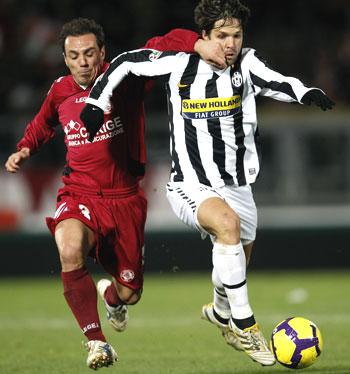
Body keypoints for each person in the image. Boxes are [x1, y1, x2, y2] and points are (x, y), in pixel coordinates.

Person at [81, 0, 334, 367]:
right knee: (227, 227)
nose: (230, 43)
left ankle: (220, 312)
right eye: (222, 36)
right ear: (204, 37)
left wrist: (304, 92)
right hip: (190, 183)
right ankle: (245, 326)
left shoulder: (246, 63)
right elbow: (125, 63)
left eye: (236, 35)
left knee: (237, 258)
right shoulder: (180, 62)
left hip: (238, 185)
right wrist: (96, 102)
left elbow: (276, 80)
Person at [4, 17, 227, 370]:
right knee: (69, 247)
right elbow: (44, 121)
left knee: (130, 293)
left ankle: (112, 298)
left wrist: (197, 44)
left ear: (102, 53)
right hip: (78, 193)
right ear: (65, 58)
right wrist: (25, 147)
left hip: (125, 201)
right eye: (74, 55)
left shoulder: (125, 77)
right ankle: (96, 343)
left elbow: (160, 43)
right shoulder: (60, 89)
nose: (82, 62)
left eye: (89, 53)